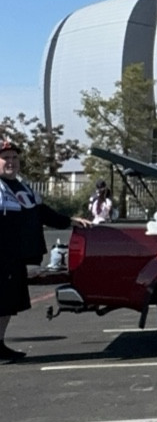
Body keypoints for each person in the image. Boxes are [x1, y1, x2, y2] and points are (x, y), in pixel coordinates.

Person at [0, 133, 80, 363]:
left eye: (14, 157)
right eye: (6, 157)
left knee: (8, 304)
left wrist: (69, 221)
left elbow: (43, 213)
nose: (11, 161)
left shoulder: (22, 188)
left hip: (14, 258)